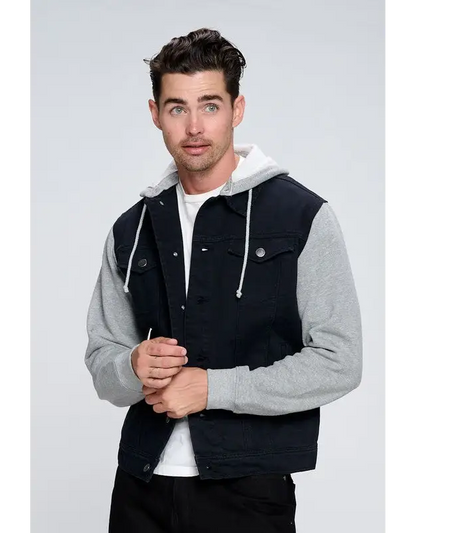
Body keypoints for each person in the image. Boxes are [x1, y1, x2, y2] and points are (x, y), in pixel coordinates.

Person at [85, 27, 362, 533]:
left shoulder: (302, 217)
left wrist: (214, 388)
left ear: (237, 109)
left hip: (248, 493)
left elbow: (340, 361)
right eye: (177, 108)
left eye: (210, 106)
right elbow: (103, 359)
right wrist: (132, 365)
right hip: (140, 488)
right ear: (155, 114)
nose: (194, 126)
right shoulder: (132, 228)